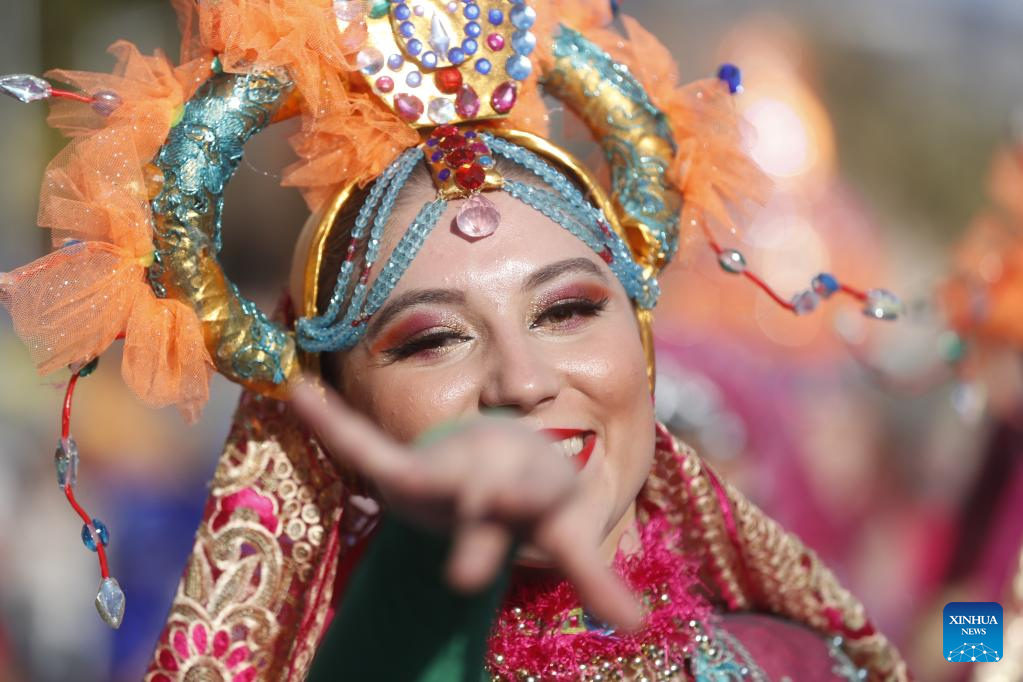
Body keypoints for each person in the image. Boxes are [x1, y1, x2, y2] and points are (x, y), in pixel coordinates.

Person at [0, 0, 909, 679]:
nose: (521, 380)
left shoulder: (795, 662)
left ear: (641, 344)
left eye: (567, 312)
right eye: (433, 340)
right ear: (336, 422)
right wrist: (421, 582)